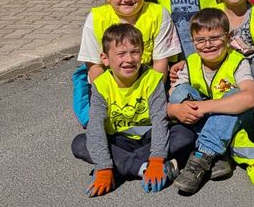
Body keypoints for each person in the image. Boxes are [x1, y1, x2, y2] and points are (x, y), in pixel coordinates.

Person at [72, 23, 192, 196]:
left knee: (184, 134)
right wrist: (103, 166)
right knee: (80, 143)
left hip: (149, 138)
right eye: (120, 54)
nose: (128, 59)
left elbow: (160, 121)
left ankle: (126, 165)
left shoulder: (152, 79)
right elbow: (95, 126)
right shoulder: (101, 84)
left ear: (142, 55)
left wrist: (157, 159)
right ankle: (142, 168)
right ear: (105, 58)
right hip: (119, 139)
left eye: (134, 52)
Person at [167, 8, 254, 195]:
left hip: (239, 122)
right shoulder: (191, 62)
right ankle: (220, 154)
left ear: (228, 37)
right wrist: (173, 109)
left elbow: (250, 98)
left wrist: (203, 106)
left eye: (215, 38)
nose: (207, 45)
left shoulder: (238, 61)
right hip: (209, 120)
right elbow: (175, 95)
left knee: (234, 94)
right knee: (180, 93)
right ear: (192, 41)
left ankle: (201, 157)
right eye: (200, 40)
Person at [73, 0, 179, 125]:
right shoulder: (96, 18)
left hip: (146, 83)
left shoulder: (158, 13)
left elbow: (160, 63)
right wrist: (114, 100)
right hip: (109, 86)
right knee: (97, 130)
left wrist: (148, 99)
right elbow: (94, 66)